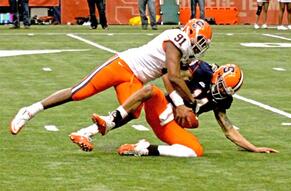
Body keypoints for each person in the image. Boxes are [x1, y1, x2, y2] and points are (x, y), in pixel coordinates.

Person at [10, 19, 212, 140]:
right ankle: (29, 111)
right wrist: (189, 102)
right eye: (201, 40)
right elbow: (175, 77)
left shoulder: (185, 52)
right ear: (190, 32)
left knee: (133, 112)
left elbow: (169, 77)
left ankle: (86, 132)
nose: (200, 46)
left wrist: (180, 103)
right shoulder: (176, 38)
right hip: (122, 65)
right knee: (79, 92)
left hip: (134, 79)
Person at [70, 61, 278, 157]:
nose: (221, 92)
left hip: (170, 126)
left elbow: (228, 129)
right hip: (163, 107)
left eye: (227, 90)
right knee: (149, 90)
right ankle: (92, 129)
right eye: (221, 86)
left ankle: (143, 149)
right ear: (216, 77)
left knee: (195, 151)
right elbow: (168, 75)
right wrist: (179, 104)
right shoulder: (202, 71)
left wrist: (254, 148)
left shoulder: (223, 100)